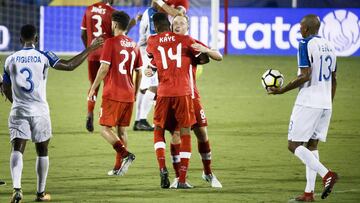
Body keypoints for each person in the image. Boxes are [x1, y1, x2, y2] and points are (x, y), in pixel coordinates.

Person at [2, 24, 103, 203]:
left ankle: (17, 190)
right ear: (37, 39)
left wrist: (16, 102)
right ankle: (40, 194)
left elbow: (6, 86)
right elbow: (70, 65)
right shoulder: (44, 55)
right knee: (42, 150)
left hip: (18, 110)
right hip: (40, 111)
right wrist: (91, 47)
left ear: (19, 39)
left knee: (17, 148)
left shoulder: (10, 59)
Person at [268, 14, 338, 201]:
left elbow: (305, 75)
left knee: (293, 144)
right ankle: (309, 193)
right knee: (312, 145)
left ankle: (326, 174)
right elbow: (334, 79)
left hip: (308, 102)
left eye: (300, 26)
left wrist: (281, 90)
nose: (299, 29)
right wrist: (328, 102)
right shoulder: (330, 46)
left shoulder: (305, 44)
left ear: (306, 29)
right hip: (325, 103)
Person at [146, 12, 207, 189]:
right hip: (183, 93)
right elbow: (204, 58)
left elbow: (153, 58)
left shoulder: (152, 41)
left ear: (156, 27)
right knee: (185, 132)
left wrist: (151, 69)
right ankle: (181, 179)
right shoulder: (184, 39)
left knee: (158, 129)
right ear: (170, 24)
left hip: (163, 93)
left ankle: (163, 167)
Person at [168, 14, 223, 188]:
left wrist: (205, 50)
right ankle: (178, 177)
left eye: (181, 23)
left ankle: (207, 172)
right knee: (176, 135)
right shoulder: (164, 42)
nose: (178, 26)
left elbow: (219, 56)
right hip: (173, 97)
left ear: (187, 26)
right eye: (175, 23)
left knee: (202, 134)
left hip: (192, 96)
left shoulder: (191, 42)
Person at [88, 11, 142, 176]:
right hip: (129, 94)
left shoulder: (110, 43)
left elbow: (104, 68)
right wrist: (135, 92)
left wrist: (92, 88)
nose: (110, 26)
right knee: (122, 131)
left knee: (105, 129)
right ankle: (119, 168)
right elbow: (139, 72)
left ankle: (125, 154)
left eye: (111, 23)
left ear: (116, 24)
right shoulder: (134, 45)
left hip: (113, 93)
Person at [81, 0, 115, 133]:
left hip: (92, 54)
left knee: (93, 85)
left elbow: (83, 34)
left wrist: (89, 50)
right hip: (107, 54)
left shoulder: (89, 9)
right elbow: (115, 35)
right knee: (108, 86)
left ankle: (90, 112)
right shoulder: (112, 12)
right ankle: (106, 118)